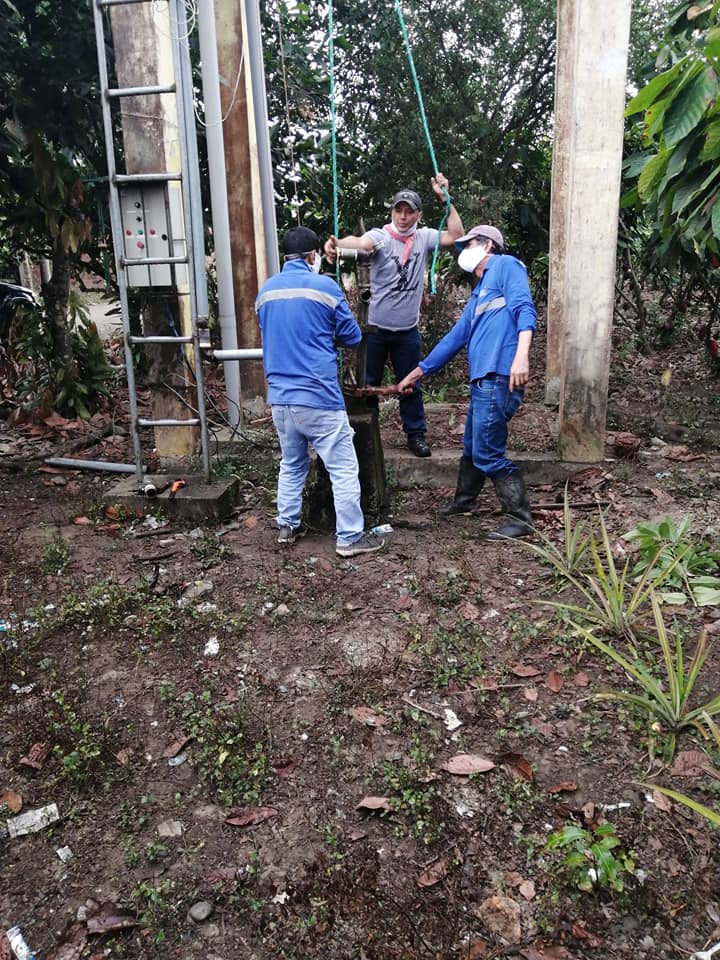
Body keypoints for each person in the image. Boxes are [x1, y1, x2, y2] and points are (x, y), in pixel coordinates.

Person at [397, 224, 536, 539]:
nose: (463, 251)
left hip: (499, 374)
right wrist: (417, 372)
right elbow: (455, 338)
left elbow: (525, 309)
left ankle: (520, 518)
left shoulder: (506, 265)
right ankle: (464, 501)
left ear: (488, 245)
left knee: (487, 450)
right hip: (483, 379)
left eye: (469, 244)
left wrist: (521, 356)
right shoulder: (481, 290)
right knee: (473, 446)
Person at [255, 226, 385, 557]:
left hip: (280, 399)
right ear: (313, 256)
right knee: (343, 466)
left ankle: (287, 526)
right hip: (318, 397)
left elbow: (274, 333)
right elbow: (352, 336)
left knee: (292, 462)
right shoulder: (325, 287)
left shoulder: (266, 291)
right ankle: (350, 537)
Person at [324, 174, 464, 458]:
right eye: (398, 210)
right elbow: (360, 242)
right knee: (367, 385)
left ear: (418, 215)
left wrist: (446, 199)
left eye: (409, 211)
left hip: (407, 330)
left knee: (411, 383)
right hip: (375, 329)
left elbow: (457, 235)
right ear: (392, 212)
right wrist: (337, 244)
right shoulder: (382, 237)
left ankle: (416, 435)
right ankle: (367, 438)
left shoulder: (423, 238)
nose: (403, 216)